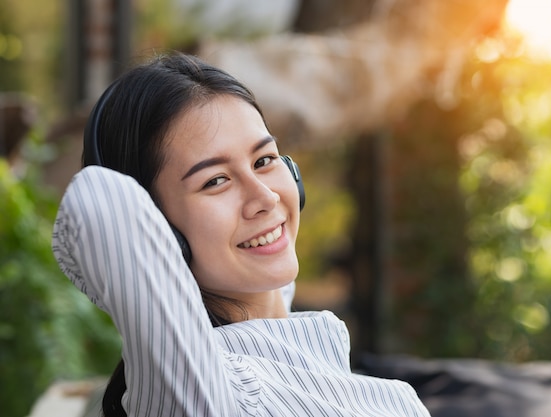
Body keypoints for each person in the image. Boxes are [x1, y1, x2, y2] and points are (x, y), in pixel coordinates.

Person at [52, 52, 430, 417]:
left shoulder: (368, 385)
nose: (264, 197)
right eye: (215, 181)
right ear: (160, 230)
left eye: (264, 160)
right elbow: (98, 198)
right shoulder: (205, 396)